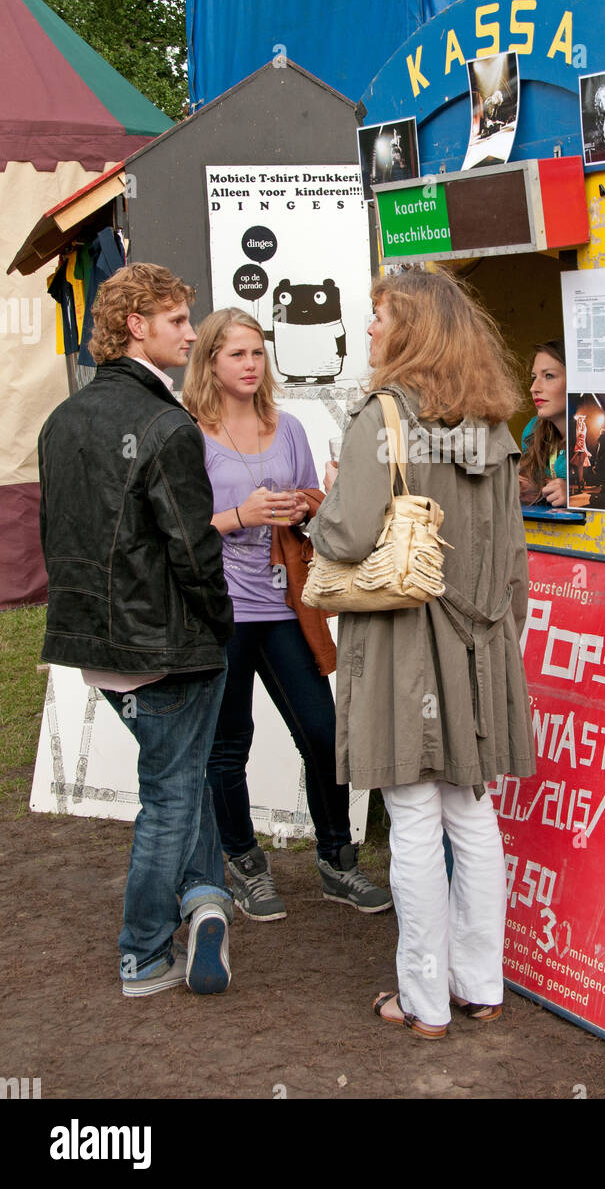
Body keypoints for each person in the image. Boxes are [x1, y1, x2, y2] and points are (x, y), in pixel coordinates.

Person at [310, 268, 535, 1037]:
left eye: (378, 317)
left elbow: (342, 535)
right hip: (481, 644)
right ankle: (480, 985)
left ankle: (423, 1000)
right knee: (470, 815)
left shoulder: (385, 417)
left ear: (408, 330)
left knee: (410, 816)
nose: (368, 329)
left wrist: (334, 494)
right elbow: (514, 558)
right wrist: (504, 643)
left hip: (405, 645)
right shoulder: (494, 425)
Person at [38, 264, 235, 998]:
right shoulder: (166, 425)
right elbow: (193, 549)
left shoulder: (62, 419)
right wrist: (222, 622)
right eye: (178, 320)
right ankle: (144, 952)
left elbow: (53, 533)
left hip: (97, 646)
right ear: (135, 327)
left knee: (177, 780)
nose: (191, 332)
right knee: (173, 793)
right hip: (165, 646)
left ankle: (203, 897)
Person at [183, 308, 392, 919]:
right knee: (229, 745)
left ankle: (337, 862)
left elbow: (312, 512)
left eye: (256, 353)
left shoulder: (290, 426)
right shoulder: (187, 432)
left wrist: (305, 506)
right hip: (219, 611)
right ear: (211, 363)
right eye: (236, 355)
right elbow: (178, 531)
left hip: (283, 605)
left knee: (324, 734)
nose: (250, 365)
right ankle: (245, 863)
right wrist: (240, 516)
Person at [519, 339, 568, 507]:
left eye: (549, 376)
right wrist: (532, 488)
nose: (534, 387)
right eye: (534, 377)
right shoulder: (533, 431)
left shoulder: (597, 430)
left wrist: (573, 492)